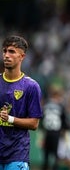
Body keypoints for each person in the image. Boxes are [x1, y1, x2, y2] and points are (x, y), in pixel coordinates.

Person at [0, 35, 43, 169]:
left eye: (12, 51)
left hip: (17, 154)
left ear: (22, 56)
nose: (6, 55)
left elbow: (34, 123)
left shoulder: (31, 86)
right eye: (5, 51)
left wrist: (10, 119)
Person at [41, 85, 68, 170]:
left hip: (46, 133)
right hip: (56, 133)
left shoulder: (45, 105)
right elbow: (64, 121)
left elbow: (41, 119)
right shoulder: (60, 106)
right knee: (56, 155)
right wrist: (66, 130)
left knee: (46, 155)